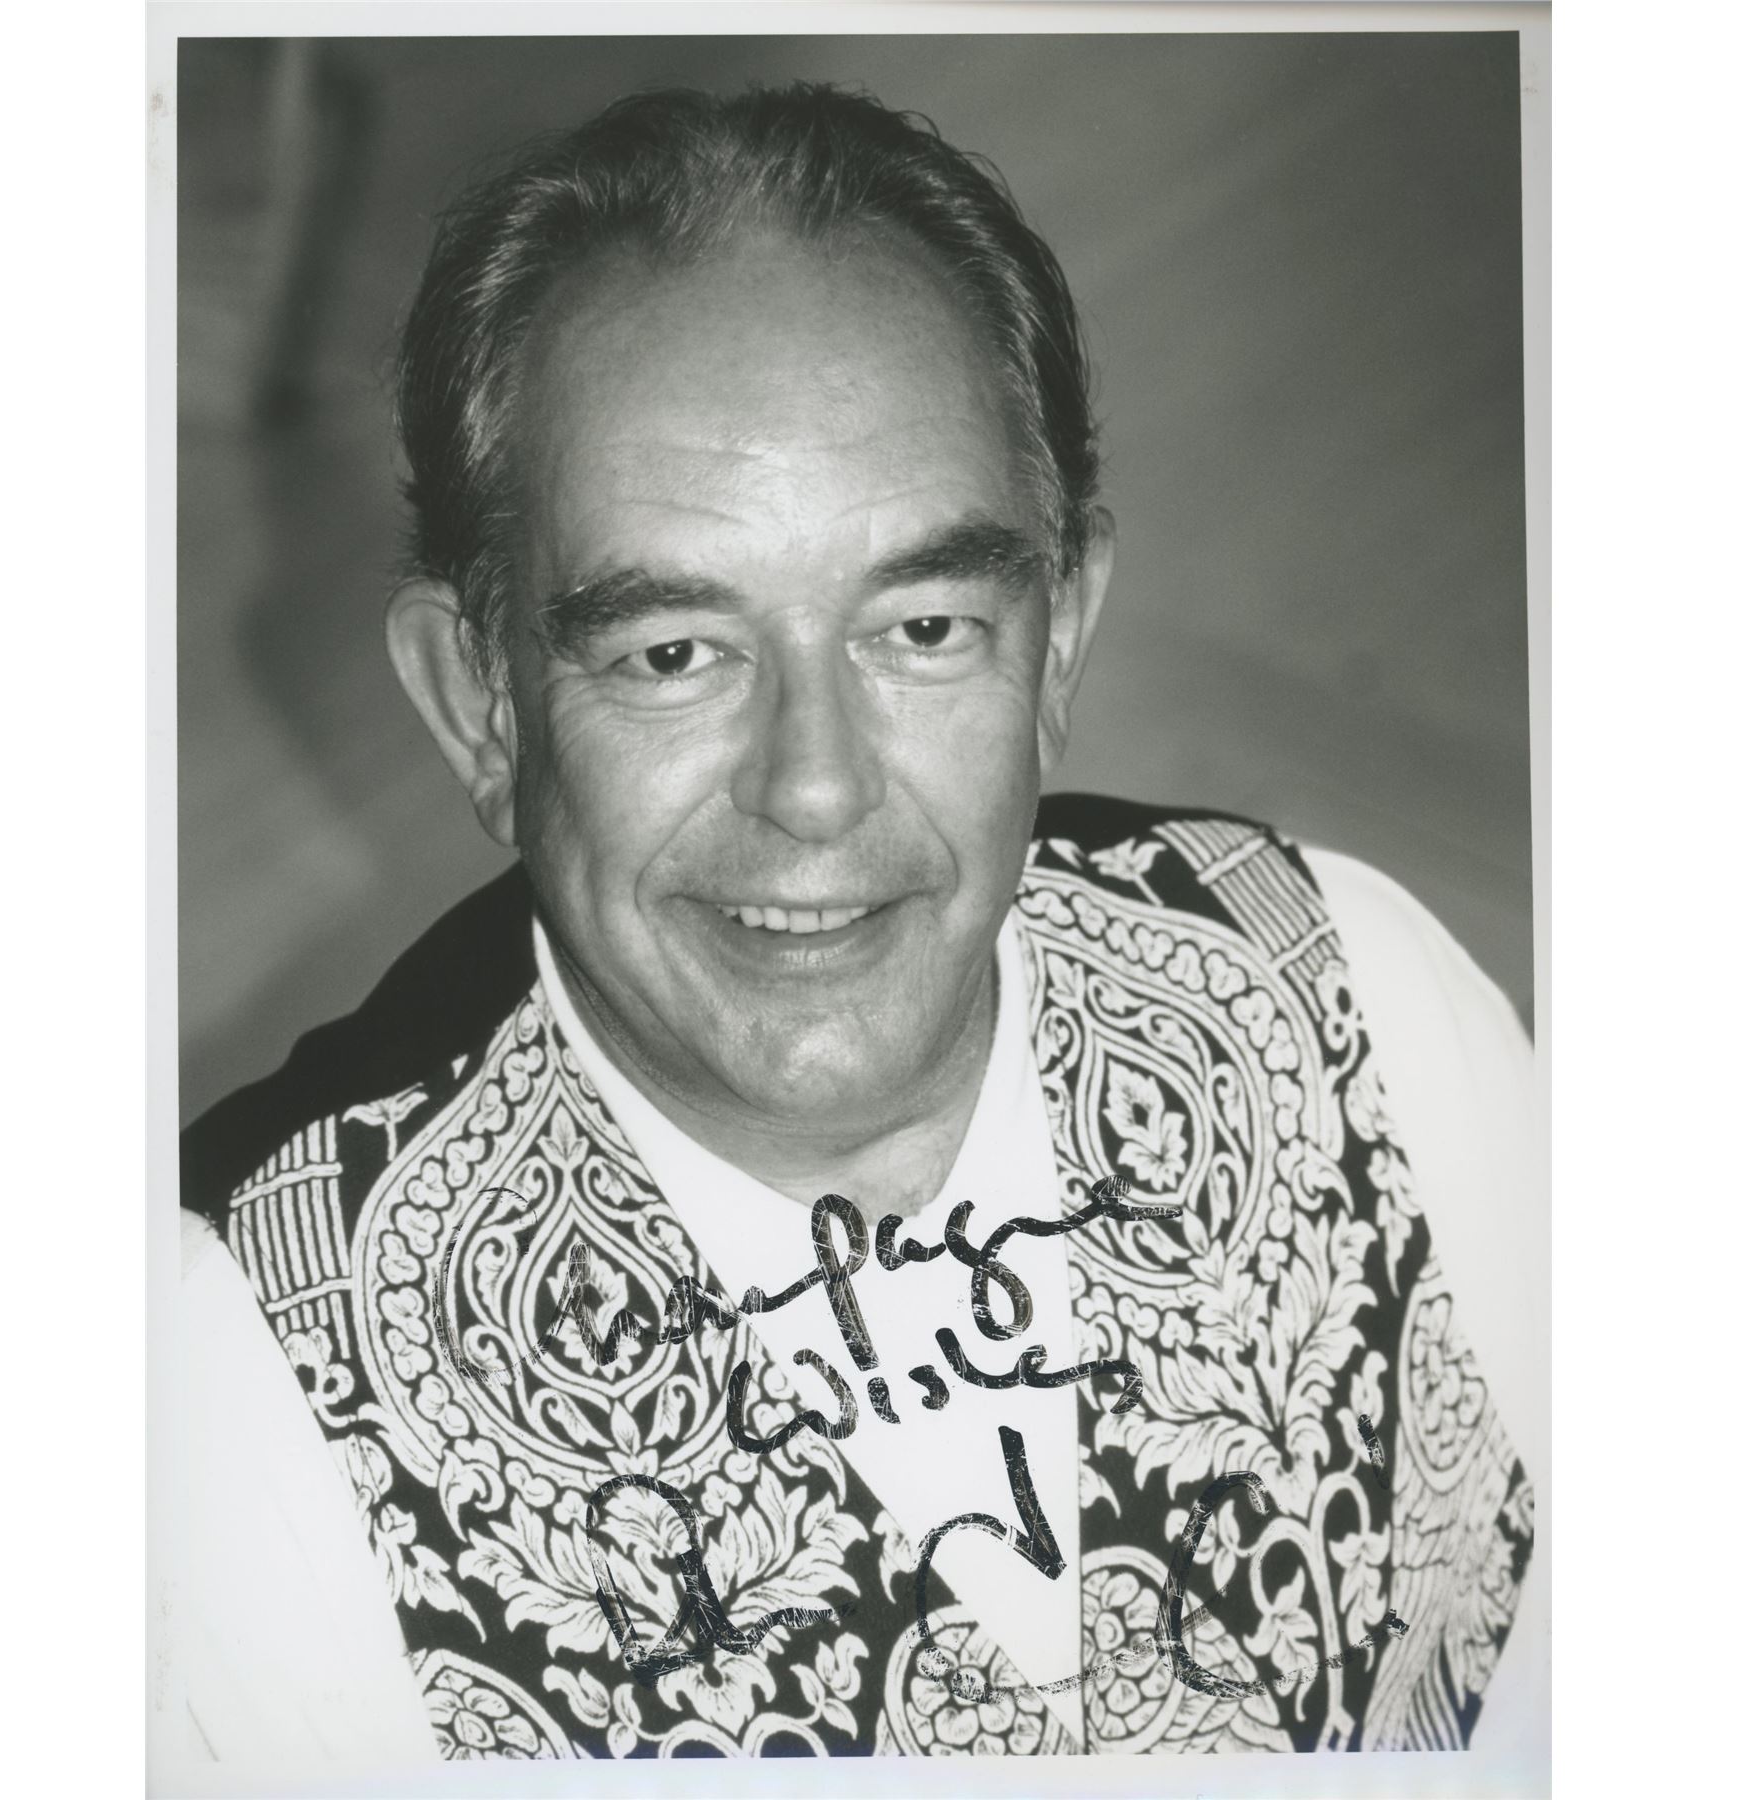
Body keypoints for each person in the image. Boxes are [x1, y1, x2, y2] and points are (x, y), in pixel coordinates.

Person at [178, 82, 1538, 1762]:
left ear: (1060, 638)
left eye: (926, 628)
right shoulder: (225, 1416)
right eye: (675, 653)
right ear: (481, 705)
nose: (815, 790)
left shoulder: (1355, 996)